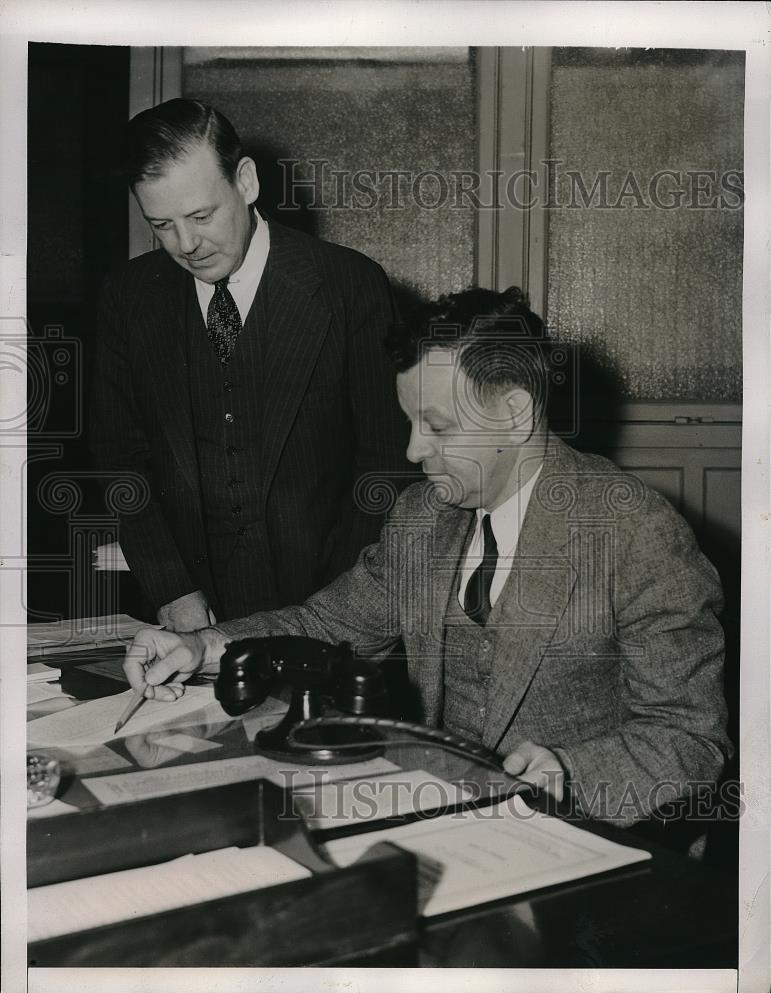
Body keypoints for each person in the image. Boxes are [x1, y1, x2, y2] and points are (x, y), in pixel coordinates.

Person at [121, 287, 731, 824]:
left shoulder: (635, 532)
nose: (414, 450)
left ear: (514, 412)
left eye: (436, 426)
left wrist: (568, 773)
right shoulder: (423, 518)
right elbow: (322, 626)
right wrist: (201, 646)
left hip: (580, 837)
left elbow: (690, 736)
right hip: (445, 816)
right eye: (410, 422)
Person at [91, 98, 409, 629]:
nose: (186, 244)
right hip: (189, 615)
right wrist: (171, 588)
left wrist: (336, 609)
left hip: (328, 606)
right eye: (161, 224)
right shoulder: (129, 296)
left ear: (246, 182)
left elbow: (385, 464)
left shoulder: (350, 285)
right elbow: (120, 457)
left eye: (200, 216)